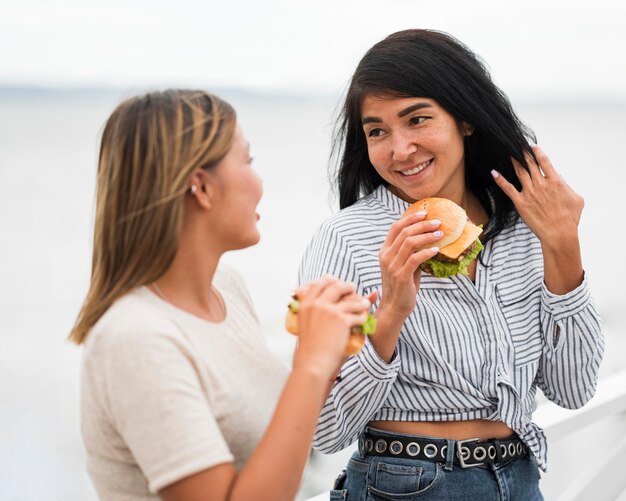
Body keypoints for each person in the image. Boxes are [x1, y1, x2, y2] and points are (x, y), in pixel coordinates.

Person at [298, 29, 604, 500]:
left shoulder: (526, 226)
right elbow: (325, 431)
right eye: (377, 130)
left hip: (521, 479)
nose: (400, 150)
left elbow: (575, 389)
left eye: (417, 119)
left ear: (464, 119)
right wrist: (391, 313)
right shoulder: (347, 239)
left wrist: (563, 245)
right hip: (404, 485)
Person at [70, 89, 373, 501]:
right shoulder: (134, 338)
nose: (260, 182)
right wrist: (311, 365)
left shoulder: (227, 289)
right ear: (201, 187)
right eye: (247, 161)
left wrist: (332, 352)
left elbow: (280, 450)